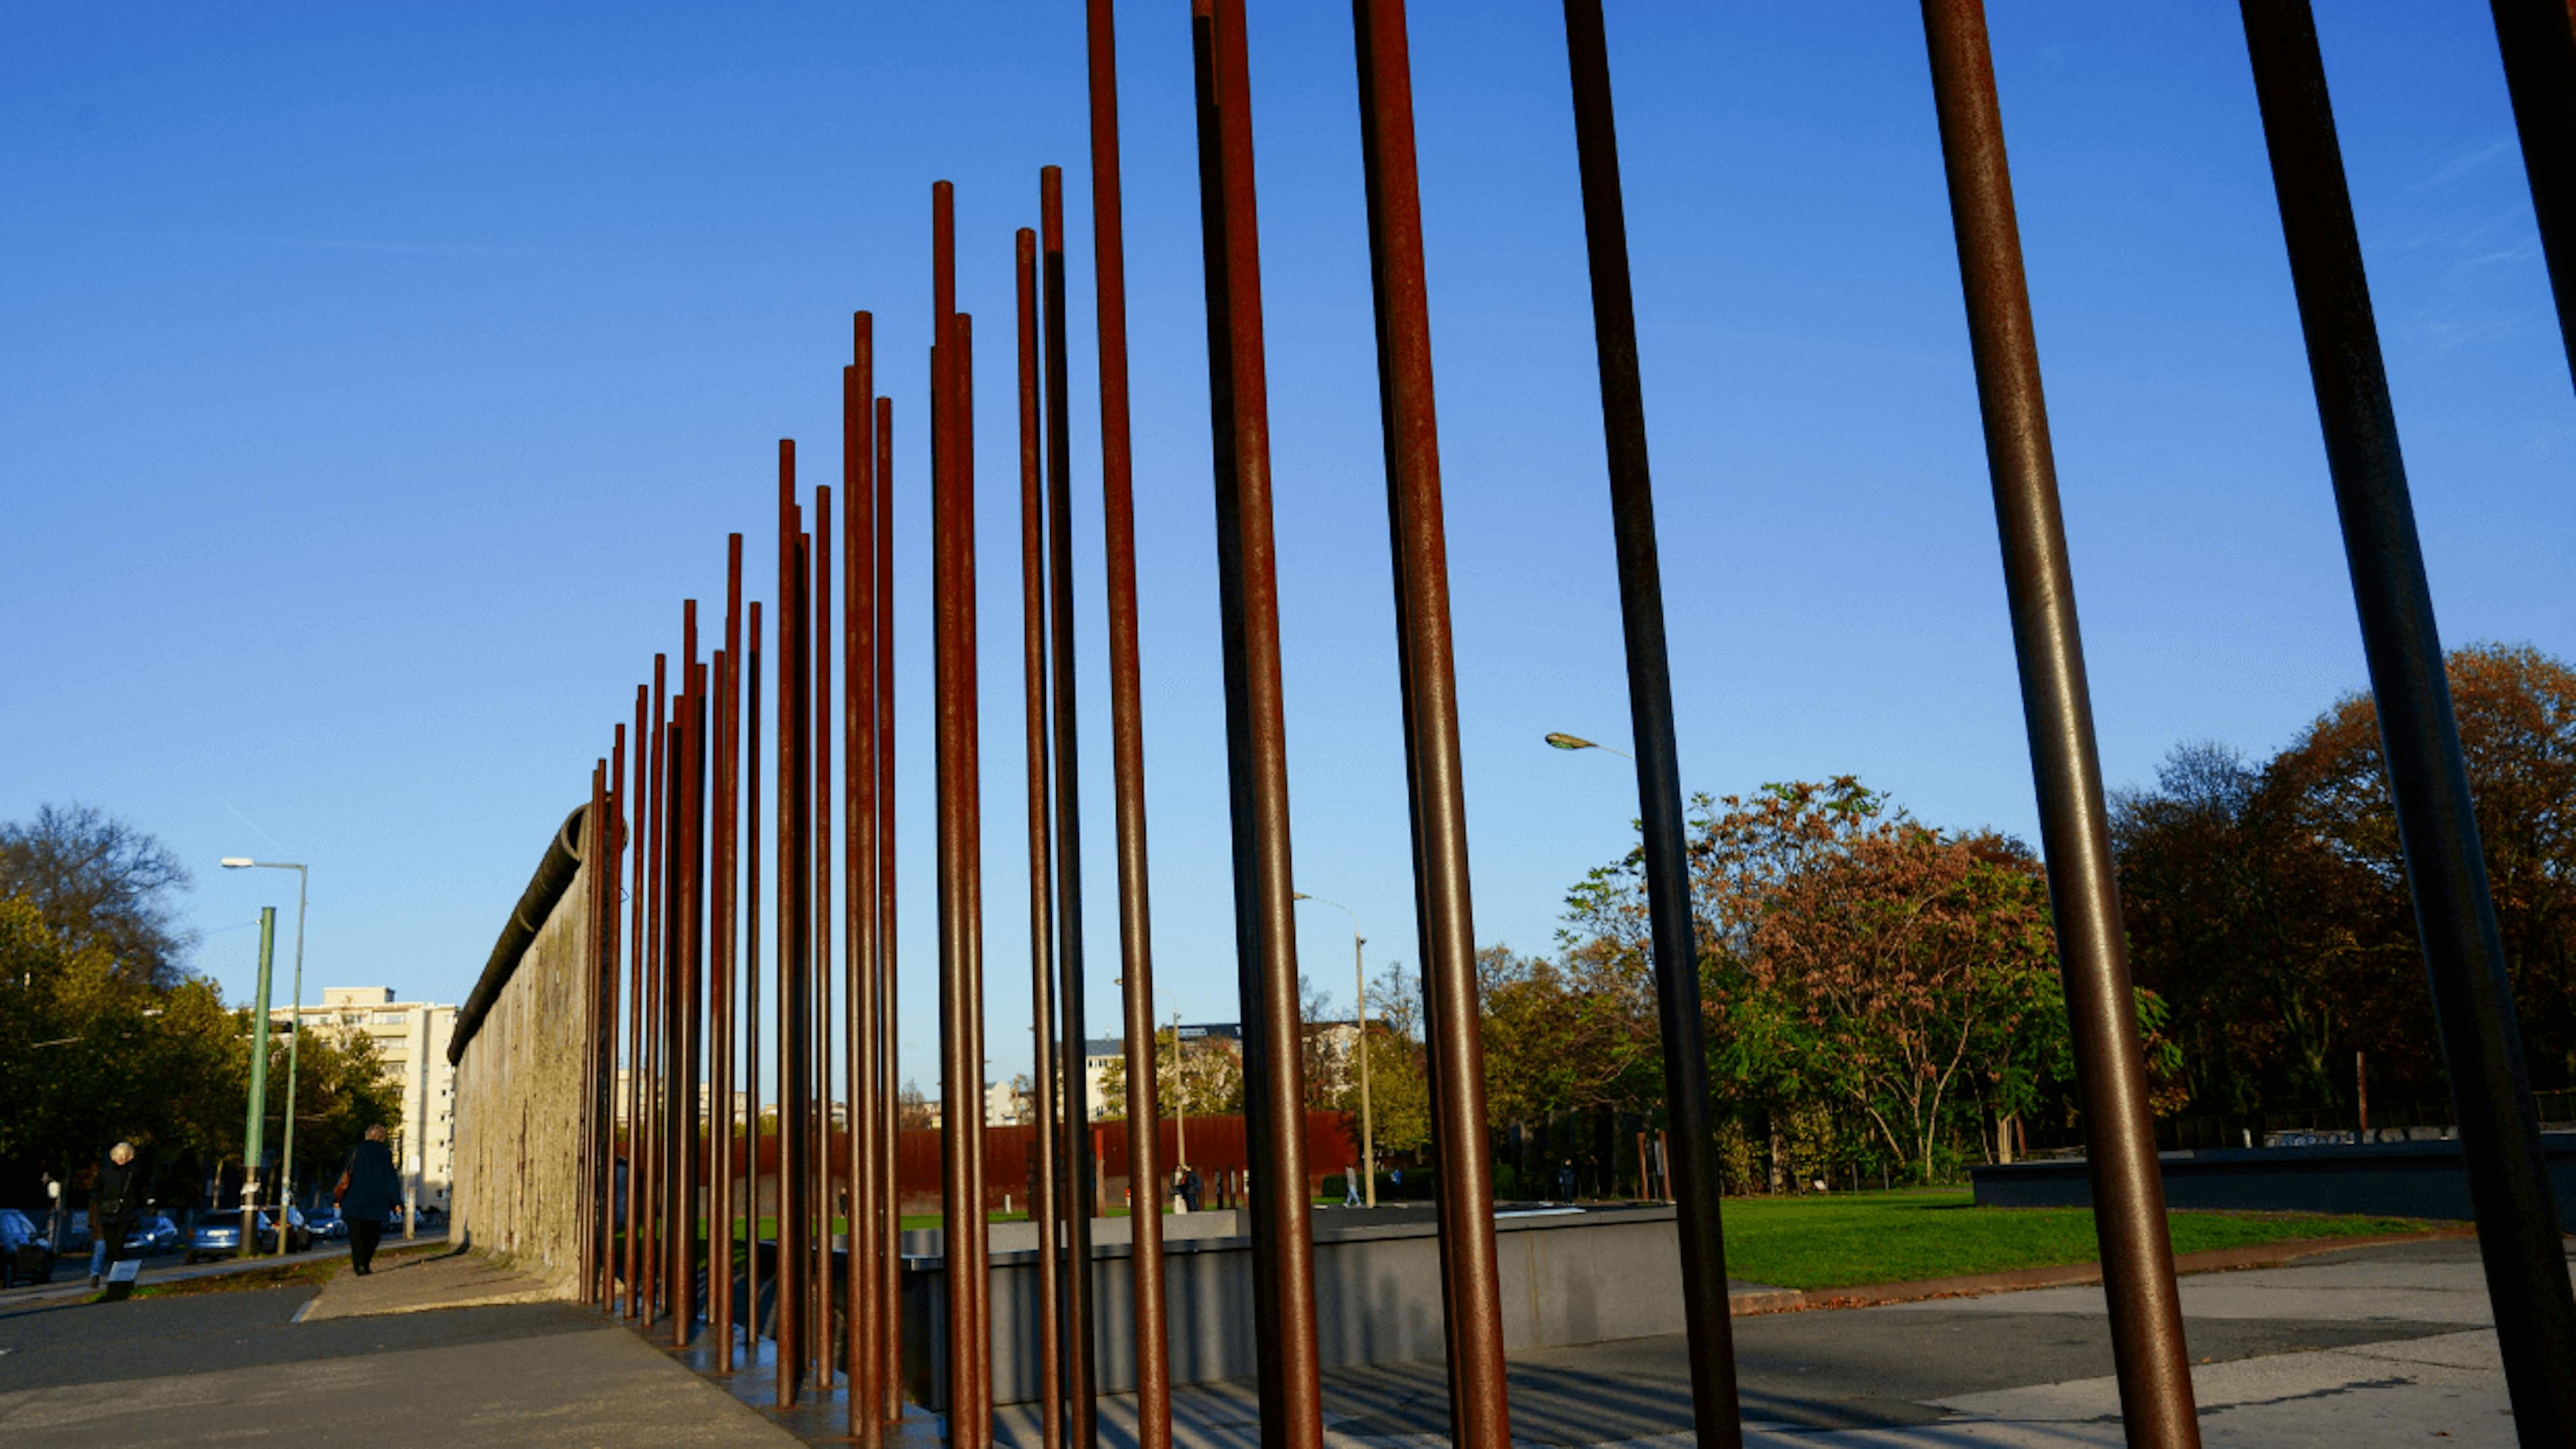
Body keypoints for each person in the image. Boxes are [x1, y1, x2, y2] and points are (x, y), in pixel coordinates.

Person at [337, 1125, 403, 1276]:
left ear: (368, 1136)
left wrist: (338, 1198)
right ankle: (365, 1263)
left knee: (356, 1236)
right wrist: (396, 1202)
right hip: (376, 1202)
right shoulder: (384, 1154)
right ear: (381, 1138)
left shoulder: (354, 1151)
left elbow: (344, 1174)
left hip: (353, 1201)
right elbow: (390, 1179)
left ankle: (359, 1264)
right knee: (373, 1235)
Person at [90, 1142, 142, 1288]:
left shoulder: (134, 1173)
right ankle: (119, 1276)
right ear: (114, 1157)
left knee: (118, 1245)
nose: (122, 1159)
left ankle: (119, 1277)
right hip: (108, 1214)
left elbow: (139, 1193)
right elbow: (94, 1191)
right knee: (111, 1246)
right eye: (120, 1156)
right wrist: (104, 1202)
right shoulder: (105, 1173)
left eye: (125, 1156)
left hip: (126, 1215)